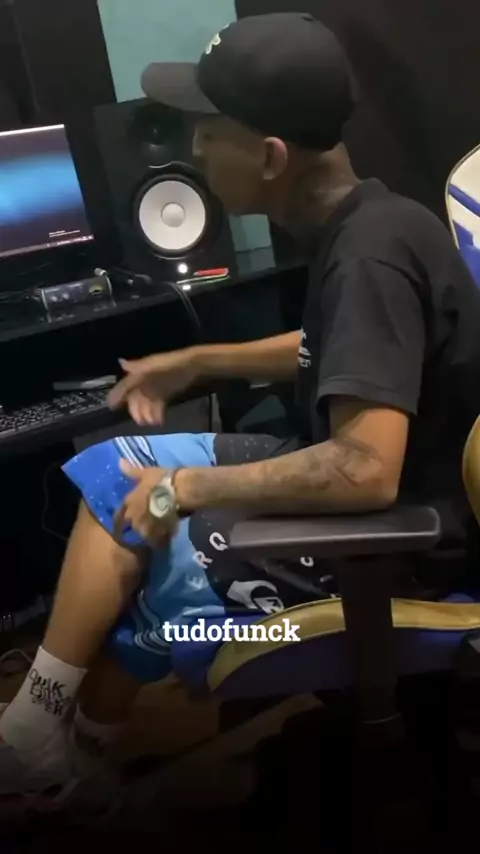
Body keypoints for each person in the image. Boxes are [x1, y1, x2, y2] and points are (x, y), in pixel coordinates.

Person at [2, 11, 480, 809]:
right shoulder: (377, 219)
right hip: (385, 495)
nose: (193, 149)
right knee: (118, 470)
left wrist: (187, 490)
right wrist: (202, 361)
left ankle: (59, 763)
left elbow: (364, 470)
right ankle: (40, 730)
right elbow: (347, 346)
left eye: (209, 131)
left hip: (407, 538)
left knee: (158, 555)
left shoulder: (370, 254)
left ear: (269, 157)